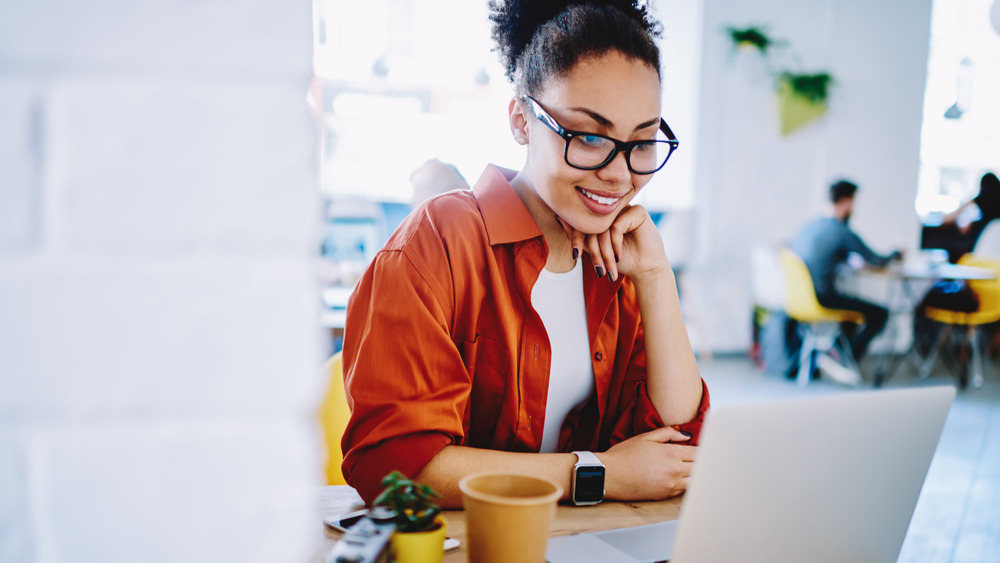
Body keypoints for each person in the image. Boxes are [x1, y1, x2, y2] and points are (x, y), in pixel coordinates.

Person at [341, 0, 708, 507]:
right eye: (588, 136)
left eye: (642, 143)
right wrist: (598, 474)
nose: (620, 175)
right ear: (520, 120)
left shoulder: (620, 263)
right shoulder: (436, 243)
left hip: (583, 542)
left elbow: (677, 449)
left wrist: (655, 274)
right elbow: (395, 469)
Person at [790, 180, 901, 371]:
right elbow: (876, 260)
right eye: (853, 202)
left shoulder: (810, 226)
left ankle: (837, 352)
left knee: (851, 309)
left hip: (799, 300)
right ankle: (845, 362)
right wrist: (897, 254)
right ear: (845, 201)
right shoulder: (841, 231)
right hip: (823, 298)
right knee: (880, 313)